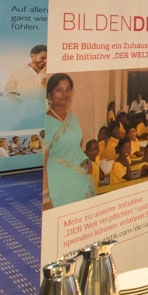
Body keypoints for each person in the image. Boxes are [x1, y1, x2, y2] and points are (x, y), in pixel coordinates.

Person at [42, 73, 95, 209]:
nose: (64, 94)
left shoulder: (72, 117)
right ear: (49, 95)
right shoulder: (45, 123)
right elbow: (42, 164)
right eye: (59, 90)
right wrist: (45, 198)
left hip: (78, 180)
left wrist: (86, 162)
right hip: (58, 185)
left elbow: (75, 148)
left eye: (68, 89)